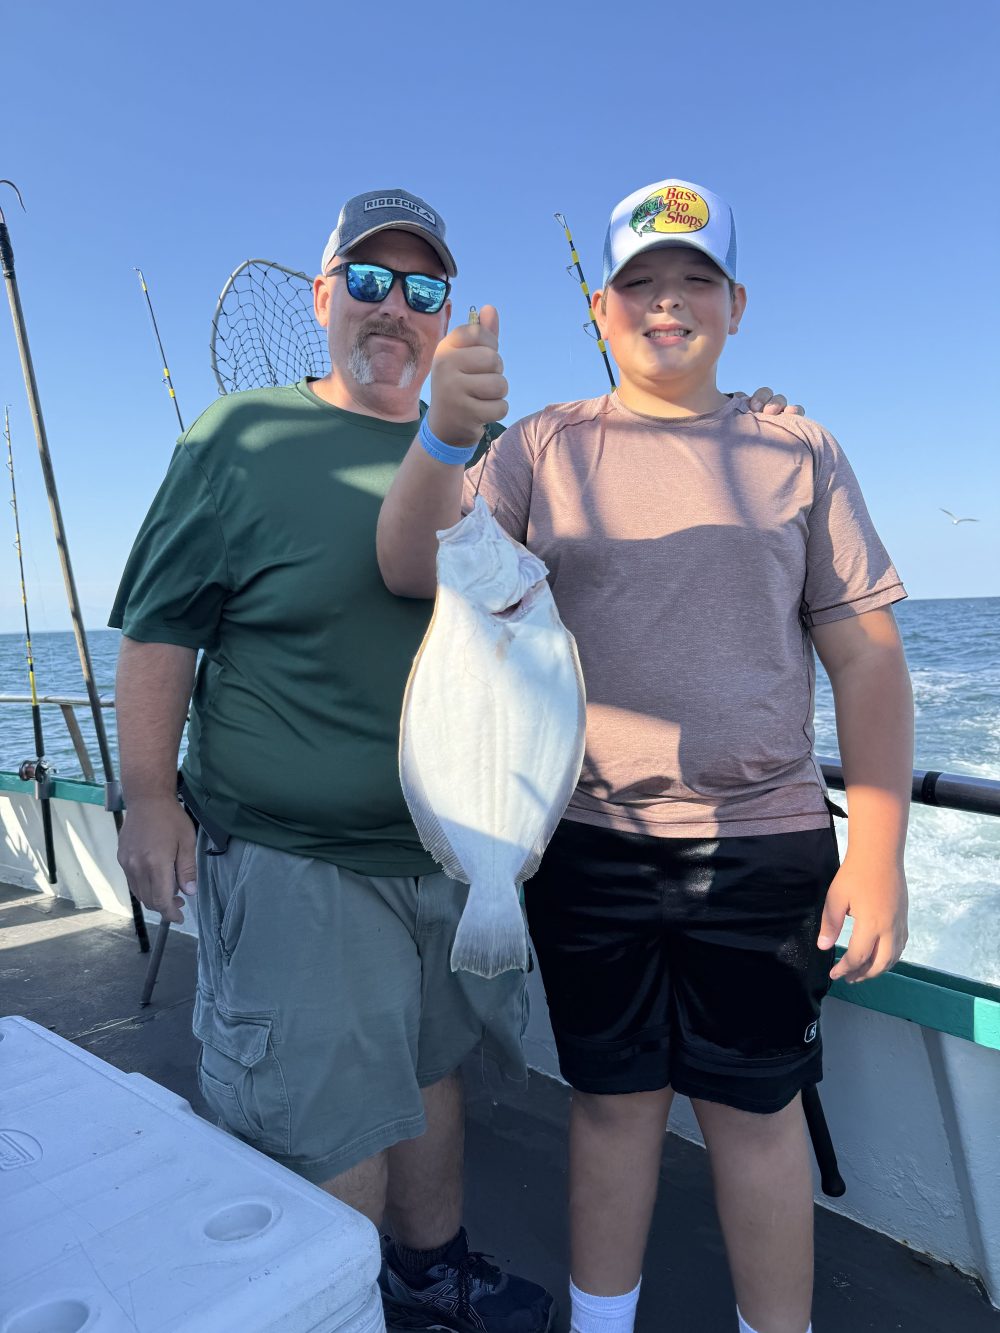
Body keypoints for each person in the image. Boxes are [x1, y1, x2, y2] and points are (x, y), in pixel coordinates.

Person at [111, 184, 799, 1333]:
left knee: (431, 1079)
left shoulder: (498, 457)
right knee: (322, 1116)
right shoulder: (240, 437)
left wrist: (740, 410)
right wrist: (145, 797)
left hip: (456, 852)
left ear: (444, 316)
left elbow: (632, 473)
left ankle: (430, 1277)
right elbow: (159, 627)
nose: (394, 307)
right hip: (299, 855)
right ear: (325, 294)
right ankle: (328, 1307)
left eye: (421, 288)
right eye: (369, 282)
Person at [376, 178, 913, 1333]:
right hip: (580, 842)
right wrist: (444, 433)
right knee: (613, 1110)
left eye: (694, 280)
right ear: (599, 309)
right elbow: (417, 565)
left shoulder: (798, 447)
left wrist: (876, 857)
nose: (666, 303)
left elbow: (867, 661)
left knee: (755, 1115)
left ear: (736, 304)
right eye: (639, 285)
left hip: (763, 844)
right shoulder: (540, 449)